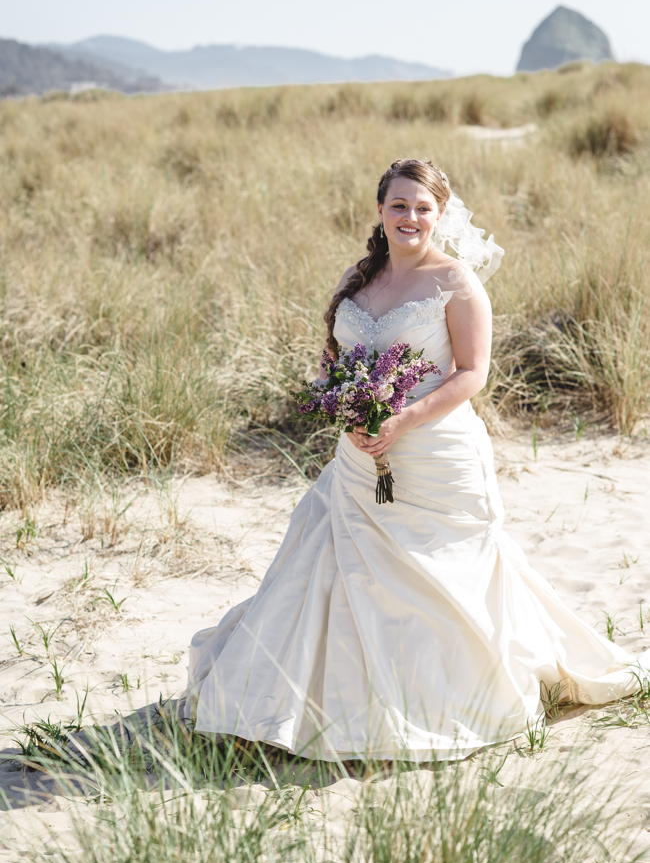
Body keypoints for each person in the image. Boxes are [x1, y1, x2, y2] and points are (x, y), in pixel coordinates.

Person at [178, 158, 649, 761]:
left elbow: (471, 374)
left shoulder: (456, 283)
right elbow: (331, 359)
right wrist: (342, 402)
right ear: (380, 211)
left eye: (423, 208)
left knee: (440, 576)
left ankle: (439, 702)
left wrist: (399, 420)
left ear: (440, 215)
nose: (410, 218)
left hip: (434, 454)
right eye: (399, 205)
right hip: (358, 456)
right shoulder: (357, 277)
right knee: (336, 567)